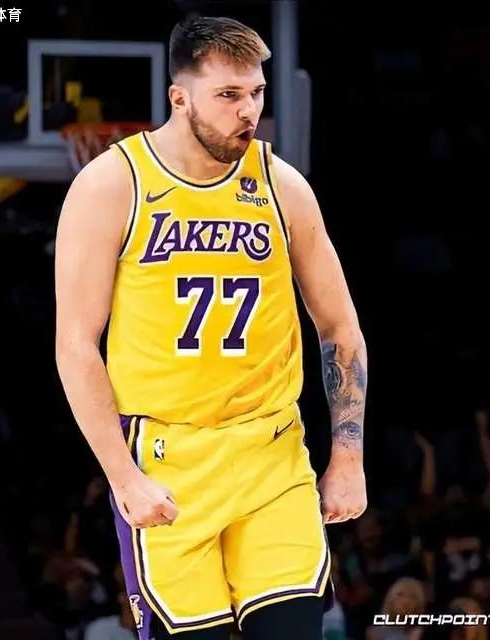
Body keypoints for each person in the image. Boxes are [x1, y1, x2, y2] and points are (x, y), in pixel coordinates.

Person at [55, 15, 367, 640]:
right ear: (180, 97)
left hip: (271, 454)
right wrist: (122, 477)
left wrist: (348, 457)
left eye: (256, 93)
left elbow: (340, 329)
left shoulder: (283, 186)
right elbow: (76, 346)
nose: (247, 111)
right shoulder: (112, 184)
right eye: (228, 95)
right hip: (168, 460)